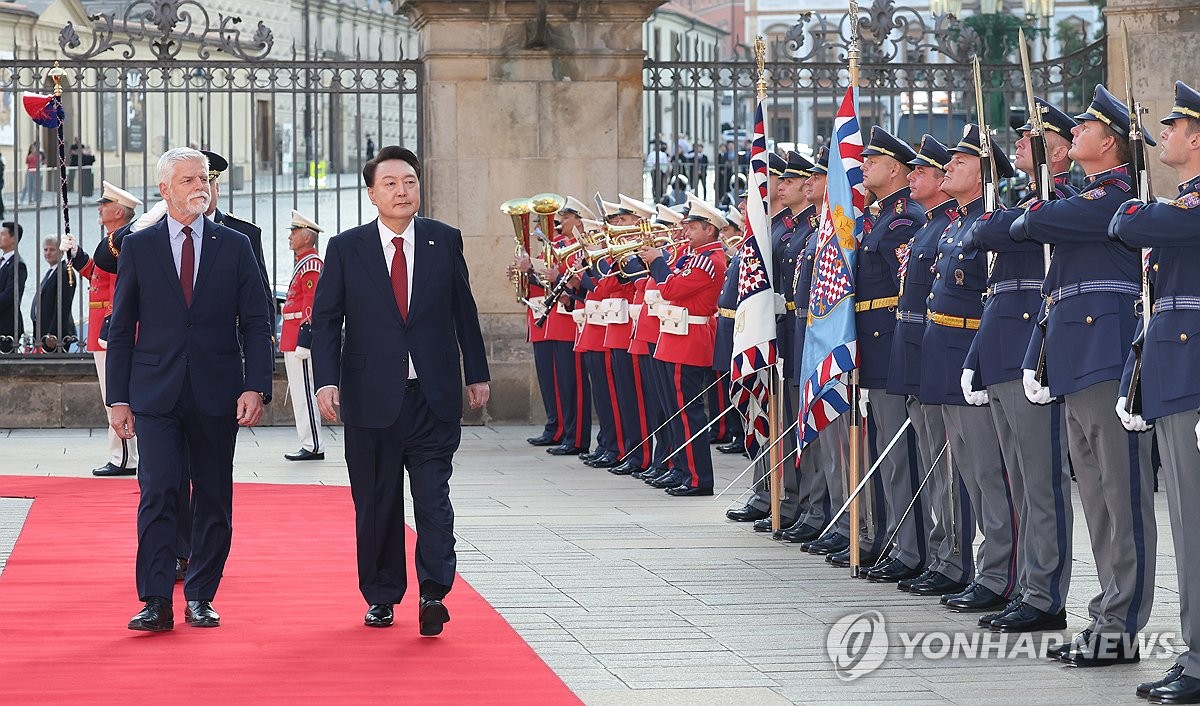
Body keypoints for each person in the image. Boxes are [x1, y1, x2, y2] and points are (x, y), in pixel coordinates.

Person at [311, 146, 490, 636]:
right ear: (372, 194)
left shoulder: (443, 240)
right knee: (376, 504)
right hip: (370, 400)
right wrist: (326, 380)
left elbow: (463, 311)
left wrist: (476, 372)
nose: (402, 190)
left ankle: (433, 593)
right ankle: (382, 596)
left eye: (409, 181)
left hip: (432, 397)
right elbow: (326, 320)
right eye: (390, 183)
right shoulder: (347, 248)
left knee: (434, 498)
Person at [1012, 85, 1156, 666]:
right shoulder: (1084, 194)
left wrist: (1042, 196)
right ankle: (1107, 614)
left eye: (1085, 130)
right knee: (1096, 497)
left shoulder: (1114, 198)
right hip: (1074, 358)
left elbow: (1031, 225)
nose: (1074, 136)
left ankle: (1123, 623)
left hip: (1105, 354)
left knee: (1122, 500)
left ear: (1112, 145)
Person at [107, 147, 273, 632]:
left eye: (203, 178)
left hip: (218, 392)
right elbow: (122, 327)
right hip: (154, 394)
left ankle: (201, 594)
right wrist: (118, 397)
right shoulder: (139, 246)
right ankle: (156, 599)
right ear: (164, 190)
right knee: (157, 493)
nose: (199, 186)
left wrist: (255, 386)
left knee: (214, 496)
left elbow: (257, 320)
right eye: (187, 180)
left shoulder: (235, 244)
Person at [959, 98, 1078, 633]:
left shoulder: (1062, 202)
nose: (1018, 141)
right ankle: (1029, 585)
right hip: (1003, 351)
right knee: (1020, 479)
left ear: (1056, 151)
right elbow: (982, 234)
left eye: (1031, 135)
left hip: (1034, 352)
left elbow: (994, 232)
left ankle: (1045, 594)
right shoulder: (1024, 203)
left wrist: (1012, 221)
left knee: (1042, 481)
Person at [1110, 79, 1200, 704]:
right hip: (1174, 377)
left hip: (1192, 379)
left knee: (1194, 526)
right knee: (1186, 525)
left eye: (1173, 127)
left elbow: (1125, 222)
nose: (1163, 135)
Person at [921, 124, 1018, 613]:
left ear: (985, 172)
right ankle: (988, 568)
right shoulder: (960, 222)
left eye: (960, 161)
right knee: (967, 471)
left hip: (972, 350)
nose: (948, 167)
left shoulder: (992, 219)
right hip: (944, 352)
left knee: (987, 470)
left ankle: (1001, 572)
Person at [637, 195, 727, 496]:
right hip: (675, 336)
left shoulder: (707, 260)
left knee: (688, 413)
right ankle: (682, 470)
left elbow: (672, 289)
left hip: (689, 339)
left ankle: (698, 478)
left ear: (710, 230)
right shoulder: (694, 257)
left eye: (692, 228)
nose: (685, 233)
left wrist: (658, 262)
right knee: (676, 412)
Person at [61, 182, 143, 476]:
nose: (99, 208)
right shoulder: (112, 242)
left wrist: (110, 327)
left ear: (119, 211)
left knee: (116, 397)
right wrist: (76, 254)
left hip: (111, 332)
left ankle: (122, 458)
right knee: (115, 396)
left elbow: (119, 289)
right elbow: (97, 276)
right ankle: (125, 455)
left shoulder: (120, 244)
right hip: (104, 331)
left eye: (105, 204)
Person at [199, 151, 273, 323]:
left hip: (230, 342)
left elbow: (261, 301)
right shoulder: (160, 230)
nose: (200, 189)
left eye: (207, 181)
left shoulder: (245, 234)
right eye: (190, 181)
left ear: (217, 188)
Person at [280, 210, 325, 461]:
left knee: (305, 392)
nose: (290, 237)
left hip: (300, 338)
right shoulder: (304, 262)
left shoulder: (311, 265)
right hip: (291, 335)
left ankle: (313, 445)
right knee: (299, 393)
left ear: (307, 237)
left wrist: (305, 340)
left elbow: (311, 306)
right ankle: (308, 442)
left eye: (294, 232)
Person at [32, 235, 77, 349]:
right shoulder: (52, 271)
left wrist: (53, 333)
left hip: (55, 336)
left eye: (52, 249)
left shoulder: (65, 271)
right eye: (45, 249)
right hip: (43, 332)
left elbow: (63, 304)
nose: (48, 253)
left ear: (61, 251)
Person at [0, 221, 26, 342]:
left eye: (3, 234)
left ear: (13, 238)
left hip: (7, 325)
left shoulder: (18, 264)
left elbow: (10, 294)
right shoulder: (3, 262)